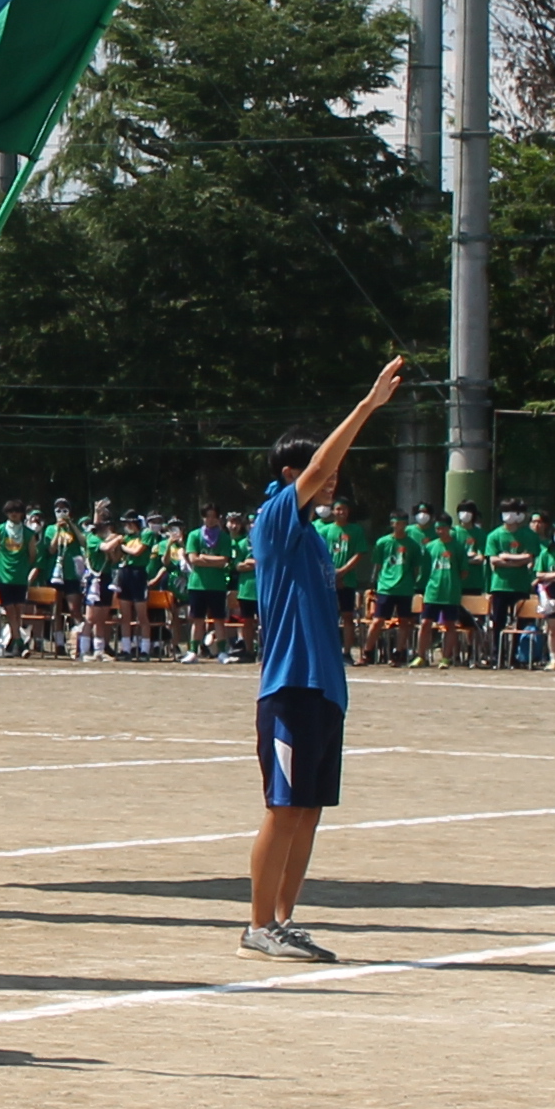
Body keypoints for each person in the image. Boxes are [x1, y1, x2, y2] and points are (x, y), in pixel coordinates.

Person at [241, 359, 405, 963]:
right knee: (283, 810)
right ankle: (257, 925)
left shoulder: (312, 537)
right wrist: (367, 406)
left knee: (308, 812)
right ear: (291, 474)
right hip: (288, 688)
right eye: (325, 470)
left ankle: (283, 921)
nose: (334, 479)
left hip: (323, 691)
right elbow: (316, 467)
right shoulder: (276, 517)